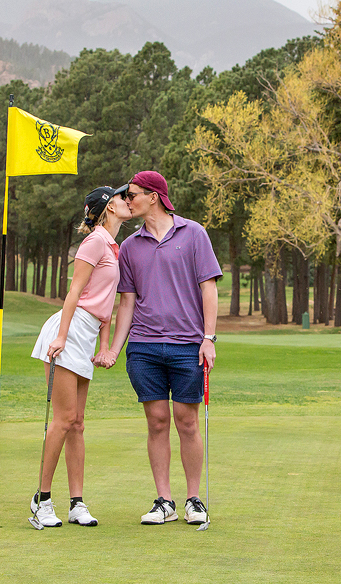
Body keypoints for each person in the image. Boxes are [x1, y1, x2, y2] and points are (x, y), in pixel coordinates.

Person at [98, 170, 221, 526]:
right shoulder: (131, 247)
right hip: (144, 347)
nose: (126, 200)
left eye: (132, 194)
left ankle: (193, 499)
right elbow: (127, 303)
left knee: (187, 422)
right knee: (156, 422)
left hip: (187, 346)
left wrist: (208, 339)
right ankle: (163, 501)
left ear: (153, 196)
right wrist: (115, 349)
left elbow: (208, 289)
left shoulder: (194, 233)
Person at [28, 185, 132, 528]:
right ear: (109, 208)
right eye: (121, 198)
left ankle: (77, 503)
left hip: (85, 337)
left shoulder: (113, 247)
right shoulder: (95, 242)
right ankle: (42, 499)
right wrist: (60, 336)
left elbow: (106, 307)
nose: (127, 201)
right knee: (63, 419)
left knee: (78, 423)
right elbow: (74, 293)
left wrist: (104, 346)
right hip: (68, 333)